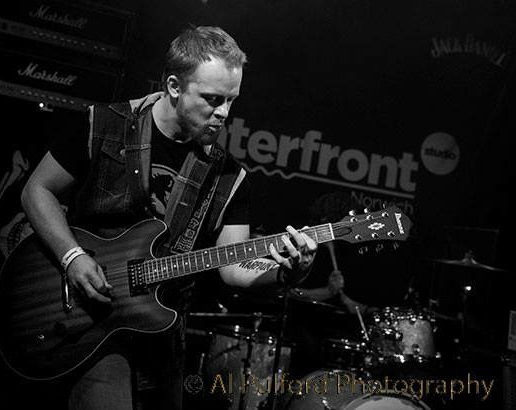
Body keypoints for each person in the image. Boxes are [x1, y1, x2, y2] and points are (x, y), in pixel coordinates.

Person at [20, 26, 317, 410]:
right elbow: (36, 191)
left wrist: (288, 272)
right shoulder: (103, 125)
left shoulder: (228, 177)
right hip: (88, 315)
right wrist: (72, 256)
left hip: (162, 336)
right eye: (213, 99)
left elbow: (234, 265)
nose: (224, 113)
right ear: (174, 86)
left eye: (231, 101)